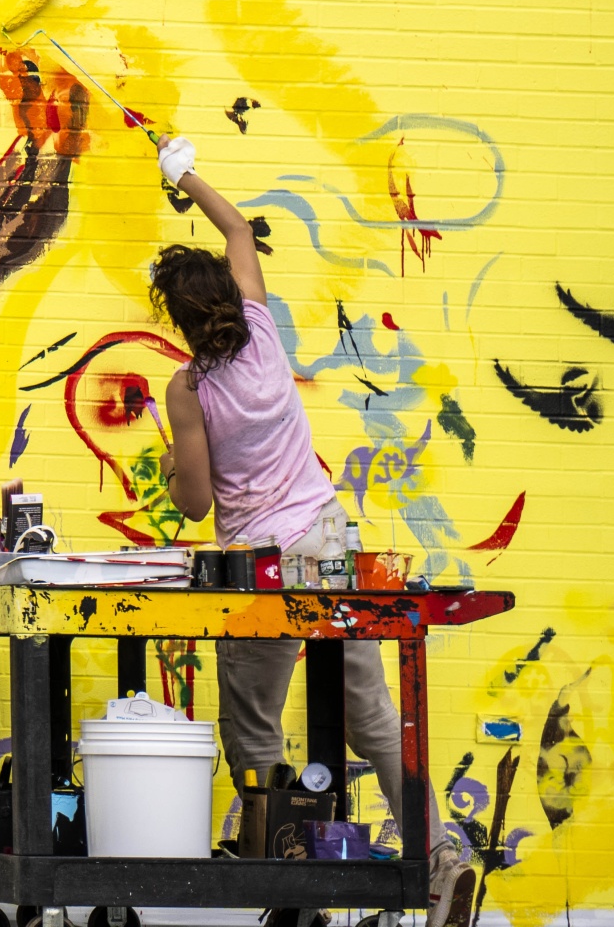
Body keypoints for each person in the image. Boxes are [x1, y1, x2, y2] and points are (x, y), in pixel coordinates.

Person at [150, 134, 475, 927]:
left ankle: (290, 884)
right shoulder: (261, 327)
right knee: (369, 718)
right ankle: (439, 855)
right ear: (228, 295)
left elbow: (192, 506)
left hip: (264, 566)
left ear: (178, 320)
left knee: (253, 724)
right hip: (329, 543)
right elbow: (236, 230)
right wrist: (181, 171)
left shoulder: (189, 389)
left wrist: (169, 460)